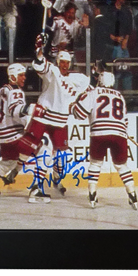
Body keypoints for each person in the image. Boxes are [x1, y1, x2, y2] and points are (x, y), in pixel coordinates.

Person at [26, 35, 90, 201]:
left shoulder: (79, 79)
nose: (64, 65)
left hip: (60, 121)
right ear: (58, 62)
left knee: (62, 158)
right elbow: (40, 64)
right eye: (62, 62)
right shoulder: (52, 72)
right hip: (44, 116)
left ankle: (56, 178)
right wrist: (39, 50)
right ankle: (33, 184)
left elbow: (92, 92)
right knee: (32, 149)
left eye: (67, 63)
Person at [70, 71, 138, 210]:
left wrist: (72, 105)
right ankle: (133, 195)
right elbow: (125, 122)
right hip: (119, 134)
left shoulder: (93, 92)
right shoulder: (120, 96)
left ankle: (92, 193)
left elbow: (79, 114)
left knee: (95, 164)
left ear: (100, 81)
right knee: (122, 166)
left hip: (99, 133)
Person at [0, 63, 42, 199]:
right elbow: (15, 111)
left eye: (24, 75)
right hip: (13, 135)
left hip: (2, 136)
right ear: (13, 76)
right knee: (43, 151)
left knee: (8, 161)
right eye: (21, 75)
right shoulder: (16, 91)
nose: (24, 78)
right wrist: (33, 110)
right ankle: (37, 189)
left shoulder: (3, 89)